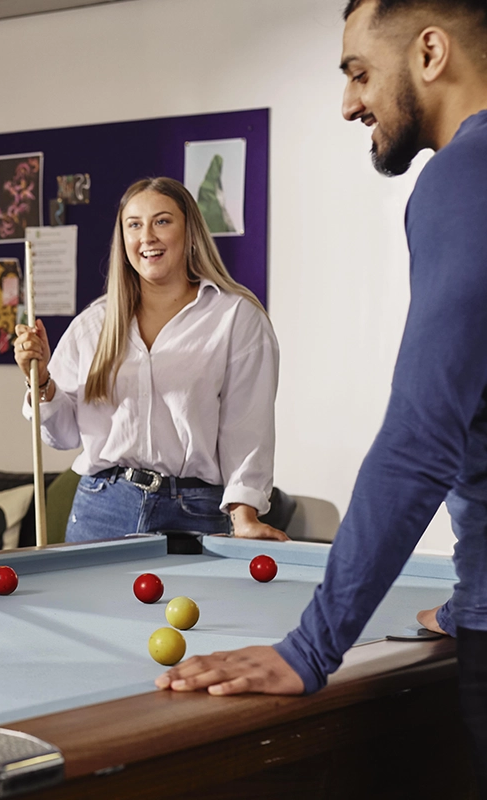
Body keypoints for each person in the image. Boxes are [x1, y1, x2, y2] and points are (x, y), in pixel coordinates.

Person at [156, 0, 487, 783]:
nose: (349, 104)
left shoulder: (464, 178)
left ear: (431, 52)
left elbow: (420, 441)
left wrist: (311, 646)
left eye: (359, 72)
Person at [13, 177, 286, 543]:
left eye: (162, 221)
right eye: (134, 225)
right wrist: (42, 380)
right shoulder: (93, 324)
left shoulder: (236, 318)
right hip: (101, 508)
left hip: (194, 512)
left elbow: (248, 430)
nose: (147, 237)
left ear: (190, 232)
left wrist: (245, 517)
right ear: (123, 238)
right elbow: (62, 435)